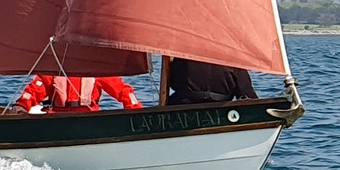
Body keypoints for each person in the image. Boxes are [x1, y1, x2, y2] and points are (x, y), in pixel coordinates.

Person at [14, 73, 142, 113]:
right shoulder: (53, 70)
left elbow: (121, 89)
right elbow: (34, 90)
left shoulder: (96, 70)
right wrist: (22, 105)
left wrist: (135, 108)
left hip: (88, 119)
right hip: (57, 119)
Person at [164, 57, 256, 106]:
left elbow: (172, 83)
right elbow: (245, 92)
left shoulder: (183, 55)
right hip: (221, 110)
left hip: (183, 108)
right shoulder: (233, 58)